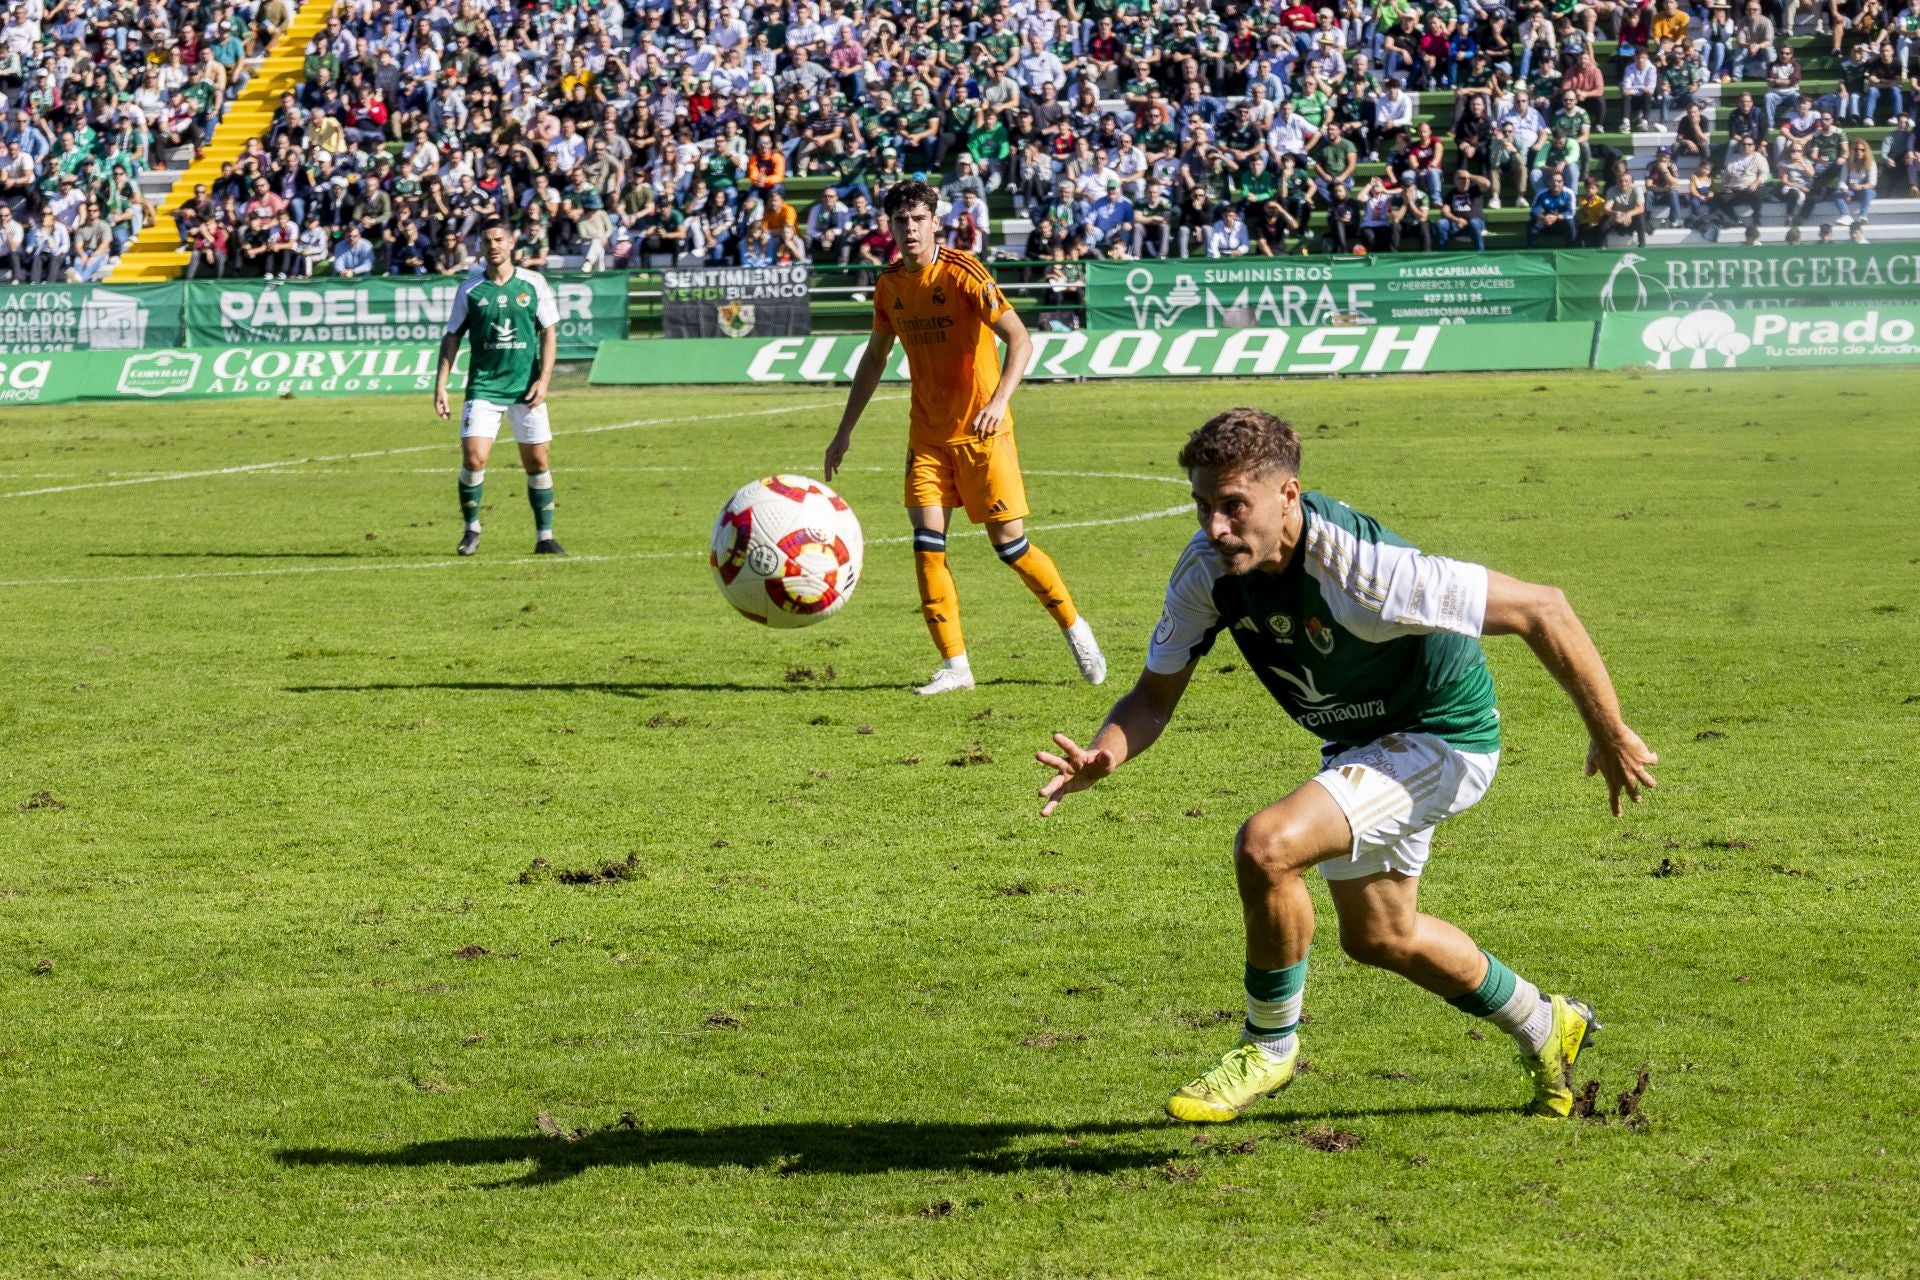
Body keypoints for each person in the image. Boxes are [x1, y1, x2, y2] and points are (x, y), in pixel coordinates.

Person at [1034, 408, 1658, 1123]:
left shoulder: (1365, 573)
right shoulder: (1207, 570)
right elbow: (1152, 695)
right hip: (1365, 744)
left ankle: (1268, 1046)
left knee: (1269, 846)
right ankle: (1548, 1025)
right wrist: (1106, 752)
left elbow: (1544, 608)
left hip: (1442, 735)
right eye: (1203, 505)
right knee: (1381, 937)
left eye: (1235, 506)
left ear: (1288, 496)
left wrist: (1609, 732)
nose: (1215, 526)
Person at [824, 180, 1105, 697]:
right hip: (927, 436)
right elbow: (875, 358)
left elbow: (1020, 340)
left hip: (982, 433)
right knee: (927, 546)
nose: (909, 229)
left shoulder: (963, 273)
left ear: (936, 222)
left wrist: (998, 402)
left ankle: (1074, 628)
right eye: (900, 221)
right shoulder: (889, 287)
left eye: (918, 219)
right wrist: (844, 431)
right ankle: (956, 665)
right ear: (889, 227)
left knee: (1010, 546)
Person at [433, 219, 565, 559]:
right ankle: (472, 528)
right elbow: (452, 336)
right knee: (474, 458)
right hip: (484, 386)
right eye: (487, 240)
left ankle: (545, 536)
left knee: (538, 460)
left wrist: (544, 379)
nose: (493, 245)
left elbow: (549, 332)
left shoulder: (533, 283)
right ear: (480, 247)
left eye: (498, 239)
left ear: (510, 243)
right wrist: (441, 386)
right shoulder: (470, 289)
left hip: (526, 387)